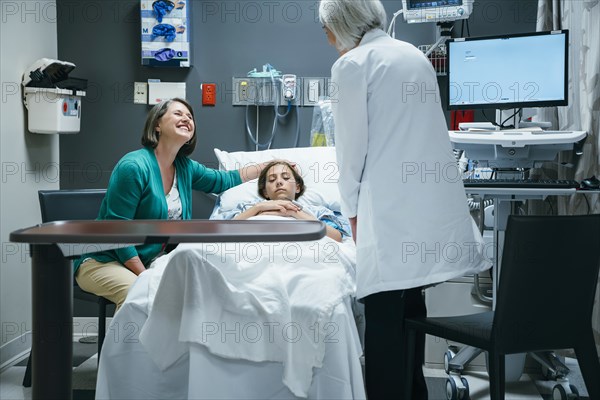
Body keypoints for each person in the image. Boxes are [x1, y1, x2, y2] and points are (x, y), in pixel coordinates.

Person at [319, 1, 491, 399]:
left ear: (343, 25)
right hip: (423, 215)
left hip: (389, 215)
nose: (326, 38)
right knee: (410, 309)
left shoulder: (352, 65)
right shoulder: (412, 55)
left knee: (384, 324)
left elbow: (350, 154)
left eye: (327, 28)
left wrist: (353, 214)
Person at [74, 98, 272, 309]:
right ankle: (127, 343)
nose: (186, 118)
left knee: (198, 291)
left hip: (148, 261)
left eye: (190, 116)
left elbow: (222, 180)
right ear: (157, 124)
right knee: (140, 295)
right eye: (178, 114)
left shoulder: (184, 167)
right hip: (103, 260)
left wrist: (266, 167)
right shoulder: (133, 167)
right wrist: (145, 275)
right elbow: (116, 231)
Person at [212, 160, 350, 242]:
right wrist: (258, 208)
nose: (279, 182)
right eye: (272, 180)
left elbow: (337, 237)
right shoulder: (247, 207)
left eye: (285, 177)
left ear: (297, 187)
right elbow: (222, 231)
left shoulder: (316, 211)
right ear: (265, 191)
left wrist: (295, 213)